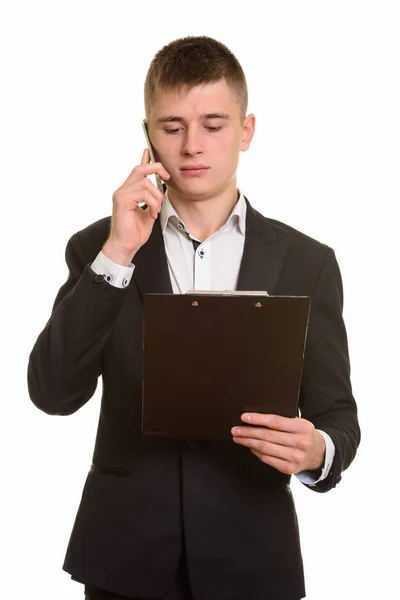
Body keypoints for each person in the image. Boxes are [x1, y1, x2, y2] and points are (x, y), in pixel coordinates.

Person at [27, 35, 360, 600]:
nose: (192, 147)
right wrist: (118, 254)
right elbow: (53, 392)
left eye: (214, 124)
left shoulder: (308, 262)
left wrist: (316, 452)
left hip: (253, 558)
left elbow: (337, 414)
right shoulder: (99, 249)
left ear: (246, 131)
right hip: (124, 561)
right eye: (172, 126)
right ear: (148, 136)